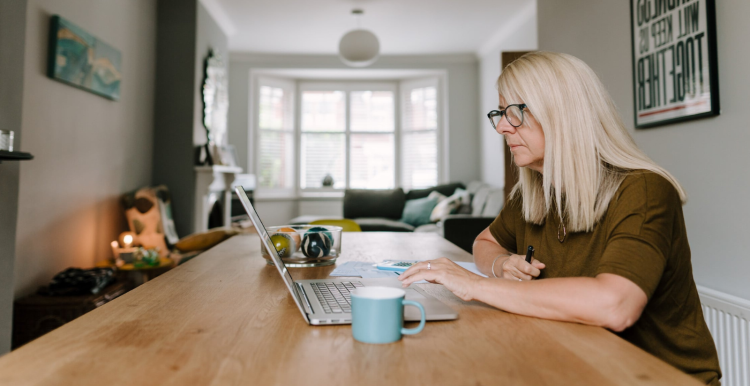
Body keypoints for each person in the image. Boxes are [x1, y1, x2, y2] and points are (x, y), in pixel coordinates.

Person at [398, 52, 721, 385]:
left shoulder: (644, 189)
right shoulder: (534, 192)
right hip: (574, 365)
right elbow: (485, 242)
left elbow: (615, 305)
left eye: (514, 113)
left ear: (563, 114)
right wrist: (501, 265)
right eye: (499, 113)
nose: (502, 127)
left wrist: (477, 285)